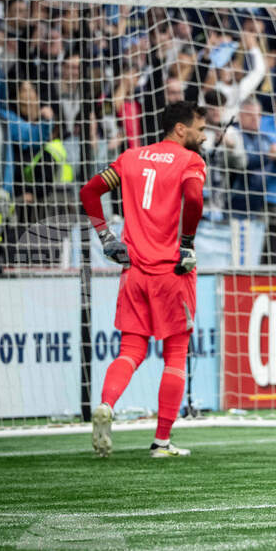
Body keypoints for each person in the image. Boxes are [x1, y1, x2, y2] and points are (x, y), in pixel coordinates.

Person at [79, 102, 208, 458]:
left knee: (131, 351)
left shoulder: (130, 157)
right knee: (176, 354)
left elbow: (89, 192)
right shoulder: (191, 162)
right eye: (200, 129)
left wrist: (107, 240)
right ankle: (161, 442)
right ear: (180, 129)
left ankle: (106, 404)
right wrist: (185, 243)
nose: (204, 136)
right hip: (172, 272)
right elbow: (194, 198)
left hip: (134, 271)